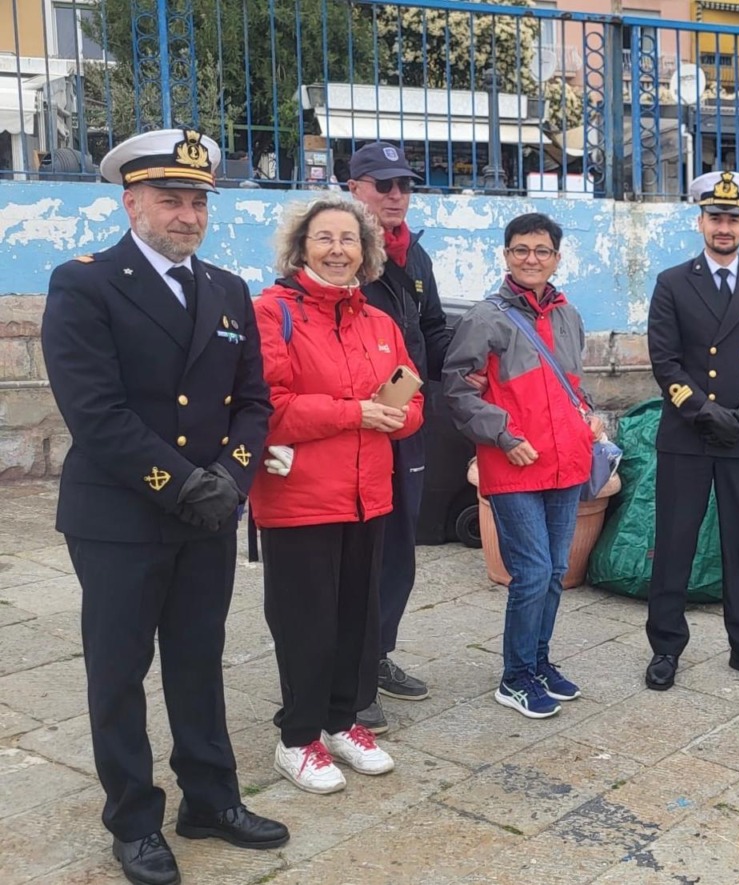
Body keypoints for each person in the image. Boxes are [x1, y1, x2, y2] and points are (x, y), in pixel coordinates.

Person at [41, 128, 288, 885]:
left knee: (197, 659)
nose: (186, 215)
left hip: (209, 513)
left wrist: (232, 477)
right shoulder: (83, 284)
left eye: (196, 202)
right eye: (170, 200)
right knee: (118, 673)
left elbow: (253, 401)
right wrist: (183, 483)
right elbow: (95, 411)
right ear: (132, 202)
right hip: (120, 516)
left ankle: (210, 798)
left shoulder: (224, 290)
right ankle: (134, 820)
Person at [250, 196, 425, 792]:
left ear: (365, 252)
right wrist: (355, 414)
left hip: (367, 493)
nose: (337, 249)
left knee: (359, 616)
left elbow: (413, 403)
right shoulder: (273, 313)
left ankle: (344, 720)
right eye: (324, 238)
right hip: (299, 495)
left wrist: (394, 418)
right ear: (301, 247)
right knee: (305, 621)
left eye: (349, 240)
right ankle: (297, 739)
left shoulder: (379, 322)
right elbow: (268, 409)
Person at [443, 212, 600, 719]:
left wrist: (589, 418)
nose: (531, 259)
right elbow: (459, 391)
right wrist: (504, 436)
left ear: (556, 257)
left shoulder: (567, 315)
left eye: (541, 250)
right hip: (514, 465)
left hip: (566, 463)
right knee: (531, 572)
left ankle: (538, 663)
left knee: (555, 571)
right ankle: (514, 677)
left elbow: (573, 383)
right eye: (521, 250)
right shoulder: (485, 318)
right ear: (506, 255)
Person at [644, 171, 739, 692]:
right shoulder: (671, 283)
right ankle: (665, 648)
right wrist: (706, 411)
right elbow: (664, 361)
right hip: (688, 435)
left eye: (733, 218)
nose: (723, 227)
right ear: (700, 222)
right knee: (675, 546)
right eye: (715, 217)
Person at [345, 141, 455, 734]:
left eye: (403, 186)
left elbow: (432, 330)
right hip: (353, 427)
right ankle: (352, 677)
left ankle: (377, 653)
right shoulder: (337, 252)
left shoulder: (416, 258)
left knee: (398, 554)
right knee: (358, 554)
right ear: (354, 187)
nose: (394, 196)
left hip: (408, 425)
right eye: (381, 184)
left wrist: (466, 368)